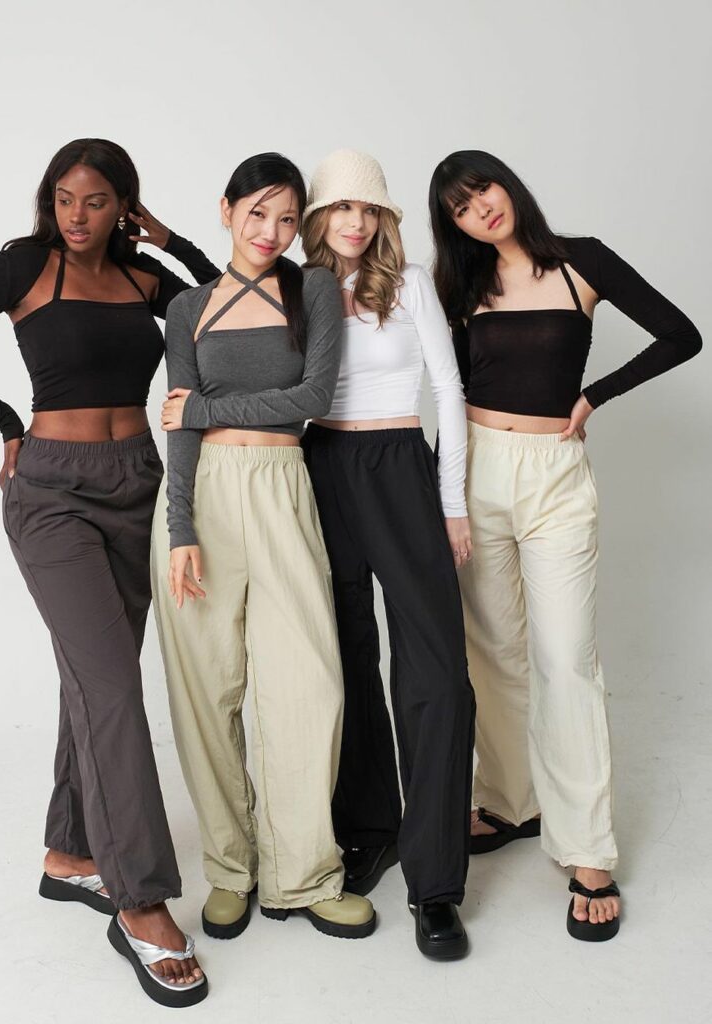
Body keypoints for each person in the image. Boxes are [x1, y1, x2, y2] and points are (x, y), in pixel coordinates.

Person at [0, 138, 221, 1007]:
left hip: (138, 486)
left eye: (96, 201)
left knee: (92, 680)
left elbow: (222, 307)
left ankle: (71, 852)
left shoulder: (144, 279)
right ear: (48, 202)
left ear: (125, 206)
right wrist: (5, 421)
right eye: (63, 199)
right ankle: (140, 900)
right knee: (113, 686)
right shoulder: (25, 268)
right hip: (52, 492)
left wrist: (171, 240)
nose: (77, 216)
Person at [428, 149, 702, 941]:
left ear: (506, 184)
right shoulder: (461, 285)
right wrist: (443, 491)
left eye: (482, 189)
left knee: (566, 660)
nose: (480, 209)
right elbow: (448, 387)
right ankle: (509, 801)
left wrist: (593, 396)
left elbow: (680, 334)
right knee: (492, 651)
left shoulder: (581, 260)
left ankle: (586, 849)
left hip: (553, 475)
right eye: (459, 207)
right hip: (476, 469)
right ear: (453, 226)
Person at [152, 152, 376, 942]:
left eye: (286, 219)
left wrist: (208, 408)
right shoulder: (187, 307)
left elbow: (310, 398)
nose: (271, 232)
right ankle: (231, 868)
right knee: (206, 689)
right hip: (204, 497)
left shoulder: (310, 290)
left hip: (281, 484)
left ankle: (304, 875)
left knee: (308, 685)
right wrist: (180, 530)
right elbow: (177, 427)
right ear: (226, 210)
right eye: (257, 214)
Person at [299, 149, 474, 960]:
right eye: (342, 208)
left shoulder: (407, 286)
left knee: (436, 672)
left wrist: (451, 501)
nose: (356, 221)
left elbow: (448, 390)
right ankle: (369, 830)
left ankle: (435, 885)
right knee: (345, 659)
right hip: (320, 468)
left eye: (368, 209)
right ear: (318, 218)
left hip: (401, 467)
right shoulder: (296, 290)